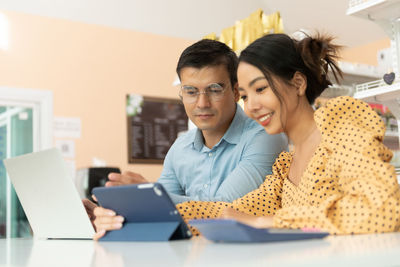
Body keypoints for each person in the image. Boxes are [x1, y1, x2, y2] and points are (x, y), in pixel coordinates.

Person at [91, 32, 400, 239]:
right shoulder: (283, 169)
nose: (251, 107)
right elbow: (227, 212)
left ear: (298, 83)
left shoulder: (339, 121)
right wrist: (133, 214)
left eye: (261, 89)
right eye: (246, 96)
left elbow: (383, 208)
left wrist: (271, 222)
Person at [90, 39, 288, 239]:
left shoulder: (265, 136)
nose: (202, 103)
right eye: (191, 92)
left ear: (236, 91)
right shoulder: (179, 148)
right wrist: (111, 214)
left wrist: (151, 196)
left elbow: (225, 208)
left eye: (214, 90)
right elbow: (162, 217)